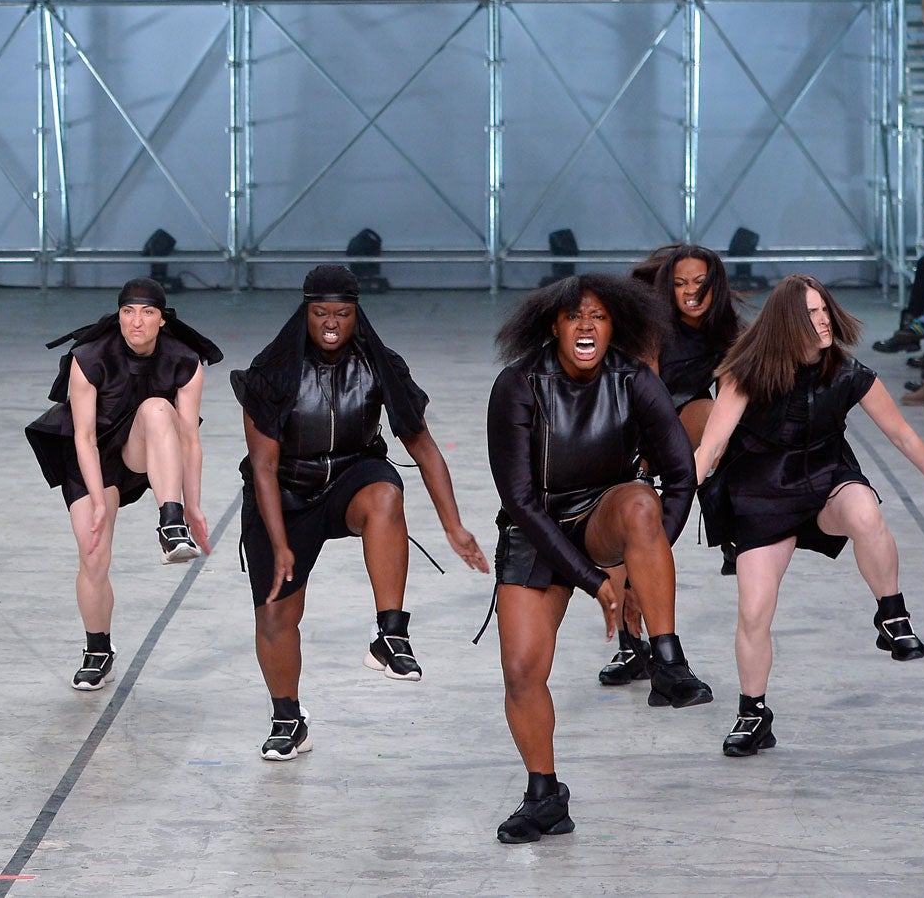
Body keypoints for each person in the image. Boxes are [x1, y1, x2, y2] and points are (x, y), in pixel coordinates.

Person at [693, 275, 924, 760]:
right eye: (810, 313)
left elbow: (903, 437)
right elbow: (712, 445)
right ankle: (754, 713)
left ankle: (892, 615)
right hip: (763, 495)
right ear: (787, 322)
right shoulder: (746, 373)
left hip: (826, 480)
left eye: (824, 309)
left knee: (865, 510)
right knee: (753, 612)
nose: (823, 320)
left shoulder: (848, 372)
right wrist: (677, 499)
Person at [484, 275, 707, 844]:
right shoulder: (518, 385)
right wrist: (595, 582)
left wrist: (644, 558)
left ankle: (665, 657)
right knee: (521, 672)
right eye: (573, 316)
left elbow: (680, 477)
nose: (586, 326)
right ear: (552, 326)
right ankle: (545, 797)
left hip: (606, 510)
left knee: (641, 501)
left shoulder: (634, 379)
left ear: (617, 327)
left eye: (599, 316)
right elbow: (520, 501)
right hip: (535, 528)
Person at [231, 265, 486, 761]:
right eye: (321, 313)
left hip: (351, 478)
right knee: (277, 615)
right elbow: (263, 467)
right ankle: (288, 720)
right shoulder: (273, 371)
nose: (331, 323)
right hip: (284, 493)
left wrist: (454, 527)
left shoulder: (378, 365)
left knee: (386, 493)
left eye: (343, 313)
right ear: (305, 312)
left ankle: (390, 634)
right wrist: (280, 543)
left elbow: (424, 448)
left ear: (356, 314)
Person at [26, 278, 221, 689]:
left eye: (147, 313)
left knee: (155, 408)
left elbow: (189, 439)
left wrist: (194, 505)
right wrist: (98, 501)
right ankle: (98, 650)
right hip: (92, 457)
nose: (137, 321)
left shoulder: (185, 360)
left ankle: (171, 523)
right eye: (128, 312)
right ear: (118, 316)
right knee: (93, 555)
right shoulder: (91, 356)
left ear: (163, 321)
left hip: (144, 450)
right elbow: (82, 437)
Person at [593, 244, 740, 687]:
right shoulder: (651, 326)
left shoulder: (729, 331)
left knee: (725, 419)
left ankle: (731, 527)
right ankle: (630, 644)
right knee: (627, 535)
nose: (689, 292)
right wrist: (646, 456)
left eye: (698, 283)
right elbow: (646, 388)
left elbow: (733, 394)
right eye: (679, 284)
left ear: (716, 284)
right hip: (637, 417)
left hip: (687, 412)